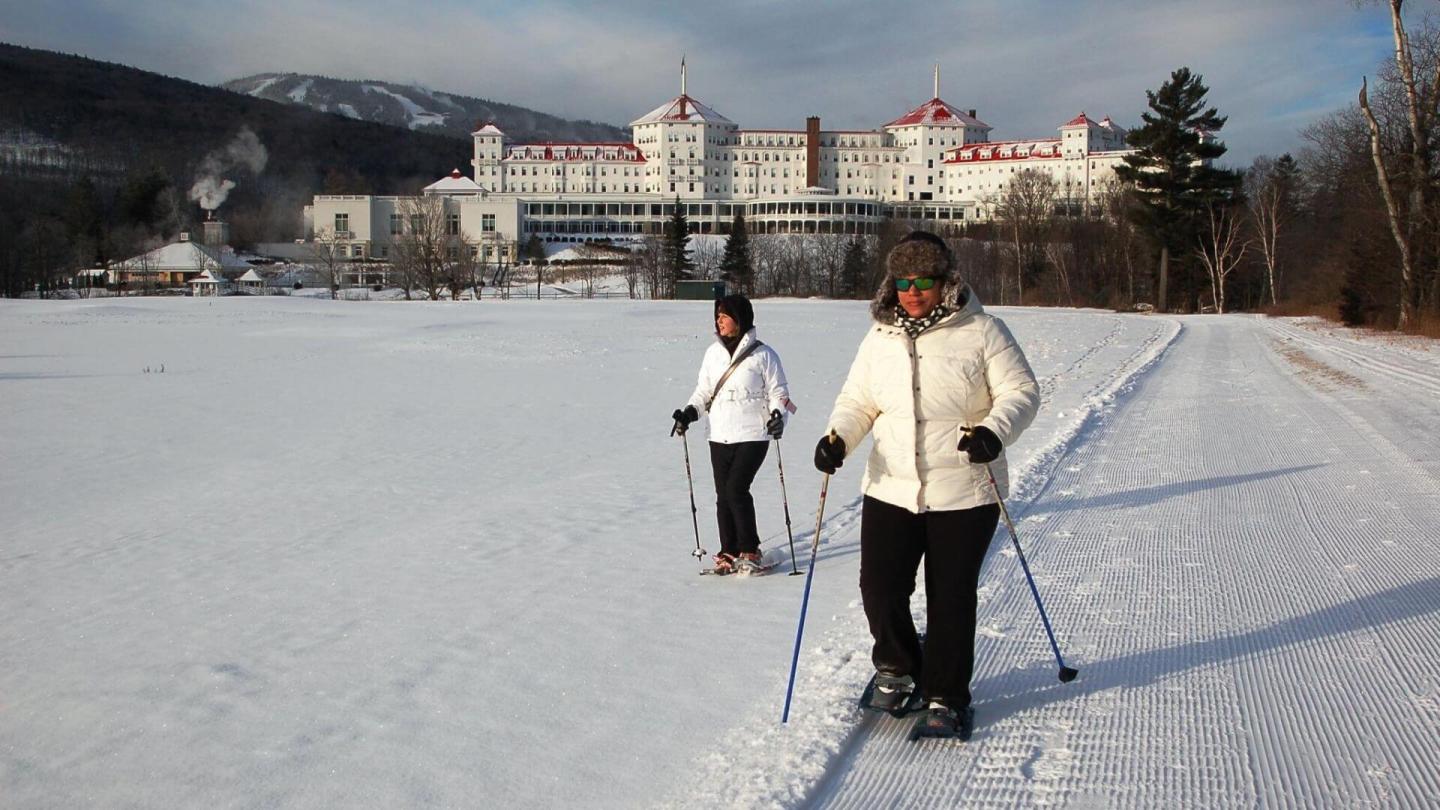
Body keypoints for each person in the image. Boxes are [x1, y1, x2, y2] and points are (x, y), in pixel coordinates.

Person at [814, 231, 1039, 738]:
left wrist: (993, 431)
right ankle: (897, 665)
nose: (912, 292)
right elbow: (858, 401)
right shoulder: (879, 338)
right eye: (902, 281)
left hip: (963, 488)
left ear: (945, 281)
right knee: (879, 587)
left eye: (922, 281)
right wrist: (838, 439)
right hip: (891, 487)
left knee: (950, 597)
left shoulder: (983, 330)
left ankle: (947, 696)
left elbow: (1021, 391)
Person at [672, 294, 793, 575]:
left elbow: (780, 393)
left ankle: (749, 549)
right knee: (722, 494)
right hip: (719, 432)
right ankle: (728, 550)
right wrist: (690, 412)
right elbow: (704, 391)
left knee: (736, 489)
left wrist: (778, 417)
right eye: (717, 316)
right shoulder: (712, 354)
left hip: (754, 432)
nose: (719, 321)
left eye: (724, 316)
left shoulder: (764, 355)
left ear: (740, 320)